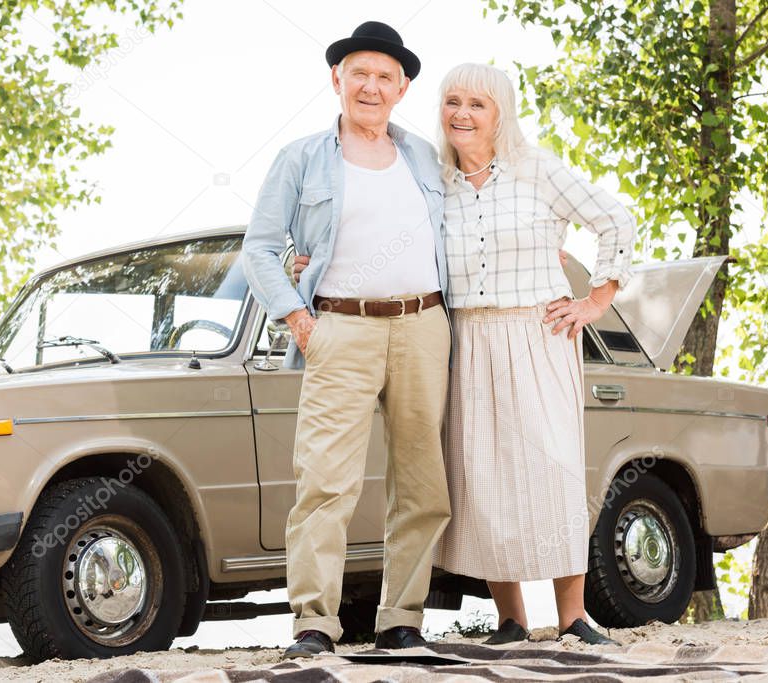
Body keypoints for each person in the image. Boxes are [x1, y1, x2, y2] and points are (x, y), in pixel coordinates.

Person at [241, 21, 453, 659]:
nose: (371, 85)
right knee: (325, 481)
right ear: (337, 79)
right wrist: (299, 321)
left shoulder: (424, 157)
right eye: (359, 72)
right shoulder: (301, 158)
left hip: (425, 326)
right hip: (338, 328)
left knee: (422, 485)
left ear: (402, 88)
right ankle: (314, 623)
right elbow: (259, 248)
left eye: (384, 76)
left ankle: (402, 620)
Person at [432, 62, 635, 646]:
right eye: (453, 101)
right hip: (467, 338)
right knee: (486, 474)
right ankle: (511, 620)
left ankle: (573, 616)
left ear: (502, 114)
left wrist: (596, 300)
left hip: (539, 333)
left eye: (477, 104)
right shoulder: (435, 181)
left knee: (554, 469)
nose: (462, 114)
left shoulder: (537, 169)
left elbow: (615, 219)